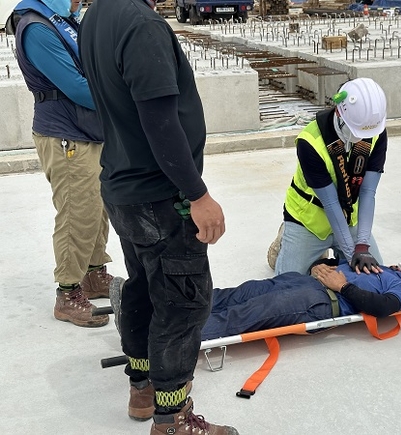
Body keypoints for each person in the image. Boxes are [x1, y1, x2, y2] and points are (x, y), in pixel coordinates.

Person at [78, 1, 238, 434]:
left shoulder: (97, 15)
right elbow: (159, 122)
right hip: (159, 196)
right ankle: (172, 418)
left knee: (145, 287)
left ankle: (143, 385)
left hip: (124, 187)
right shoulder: (142, 25)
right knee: (182, 303)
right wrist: (198, 194)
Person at [10, 0, 118, 328]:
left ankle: (94, 274)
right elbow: (77, 87)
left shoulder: (63, 20)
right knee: (77, 212)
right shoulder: (37, 28)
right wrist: (125, 95)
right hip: (65, 134)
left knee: (97, 208)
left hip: (88, 129)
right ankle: (68, 294)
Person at [203, 240, 401, 341]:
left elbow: (381, 308)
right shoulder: (383, 267)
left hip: (320, 299)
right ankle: (182, 308)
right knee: (243, 292)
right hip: (304, 282)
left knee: (247, 313)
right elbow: (334, 263)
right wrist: (317, 266)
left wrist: (342, 286)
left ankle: (183, 339)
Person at [268, 77, 388, 276]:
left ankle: (323, 255)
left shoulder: (374, 130)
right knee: (287, 283)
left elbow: (368, 191)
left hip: (348, 219)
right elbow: (330, 202)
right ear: (339, 111)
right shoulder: (310, 142)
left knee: (376, 277)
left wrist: (362, 246)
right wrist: (352, 256)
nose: (361, 137)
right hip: (309, 221)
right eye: (355, 130)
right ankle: (284, 242)